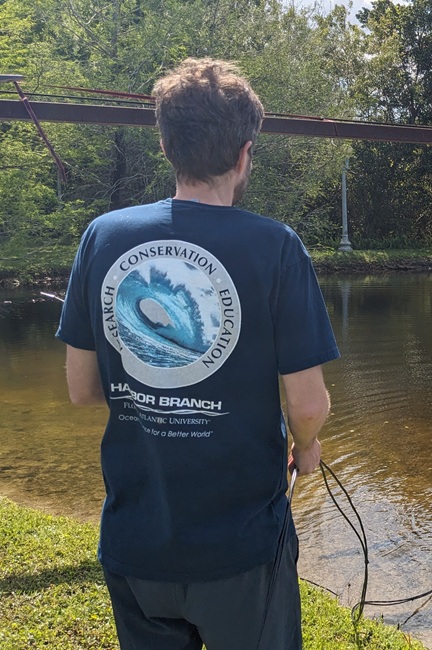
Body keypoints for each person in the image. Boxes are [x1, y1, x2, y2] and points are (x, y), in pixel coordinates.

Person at [56, 58, 340, 649]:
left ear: (165, 145)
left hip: (135, 543)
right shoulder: (276, 247)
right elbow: (307, 403)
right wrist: (306, 446)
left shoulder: (103, 236)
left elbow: (82, 389)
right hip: (240, 550)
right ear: (244, 154)